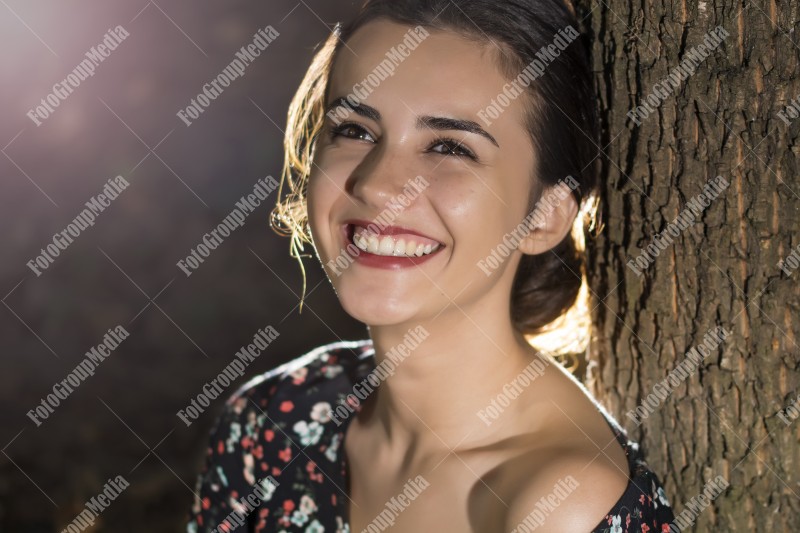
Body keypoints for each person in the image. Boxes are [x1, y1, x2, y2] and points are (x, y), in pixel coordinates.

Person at [187, 0, 675, 531]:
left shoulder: (565, 507)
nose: (377, 186)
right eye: (355, 130)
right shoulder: (268, 424)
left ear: (544, 215)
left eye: (449, 146)